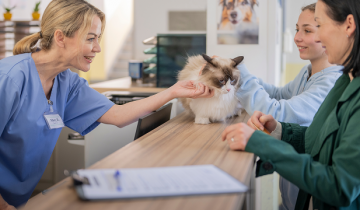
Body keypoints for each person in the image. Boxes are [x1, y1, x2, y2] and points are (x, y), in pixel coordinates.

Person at [0, 0, 213, 209]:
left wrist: (173, 91)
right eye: (91, 38)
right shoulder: (9, 78)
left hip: (18, 200)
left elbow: (117, 115)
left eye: (98, 39)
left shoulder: (67, 81)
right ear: (60, 37)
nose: (98, 48)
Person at [222, 0, 360, 209]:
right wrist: (279, 130)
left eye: (318, 26)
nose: (319, 38)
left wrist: (261, 143)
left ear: (349, 25)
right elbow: (319, 140)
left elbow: (339, 188)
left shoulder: (342, 85)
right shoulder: (345, 81)